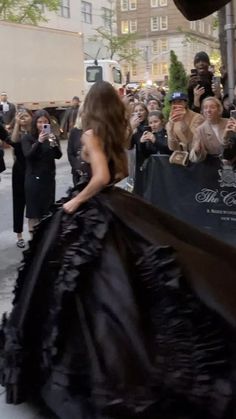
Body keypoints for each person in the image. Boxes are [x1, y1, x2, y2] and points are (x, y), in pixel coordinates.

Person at [0, 81, 236, 419]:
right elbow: (119, 172)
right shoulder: (113, 133)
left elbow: (99, 176)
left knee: (87, 284)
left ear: (91, 106)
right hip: (115, 203)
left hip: (93, 208)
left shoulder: (92, 133)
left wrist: (76, 202)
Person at [21, 109, 62, 233]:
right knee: (34, 212)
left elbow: (58, 155)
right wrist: (39, 142)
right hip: (34, 179)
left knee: (48, 210)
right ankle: (34, 239)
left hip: (48, 179)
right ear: (35, 123)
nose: (42, 125)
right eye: (39, 122)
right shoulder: (28, 138)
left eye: (45, 122)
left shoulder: (51, 136)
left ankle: (45, 239)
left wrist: (53, 143)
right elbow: (28, 155)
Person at [9, 109, 33, 247]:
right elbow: (13, 142)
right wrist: (17, 125)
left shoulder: (34, 132)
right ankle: (19, 235)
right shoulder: (17, 133)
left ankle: (33, 231)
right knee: (18, 203)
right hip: (18, 171)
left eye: (26, 116)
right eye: (20, 116)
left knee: (32, 202)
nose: (23, 118)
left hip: (32, 170)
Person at [190, 97, 228, 162]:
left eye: (212, 107)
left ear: (219, 110)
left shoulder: (228, 123)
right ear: (202, 111)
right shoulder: (200, 130)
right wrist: (197, 151)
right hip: (215, 163)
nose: (208, 110)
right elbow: (193, 158)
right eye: (205, 108)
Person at [67, 108, 83, 186]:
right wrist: (77, 167)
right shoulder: (74, 131)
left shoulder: (97, 130)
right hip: (77, 173)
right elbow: (70, 152)